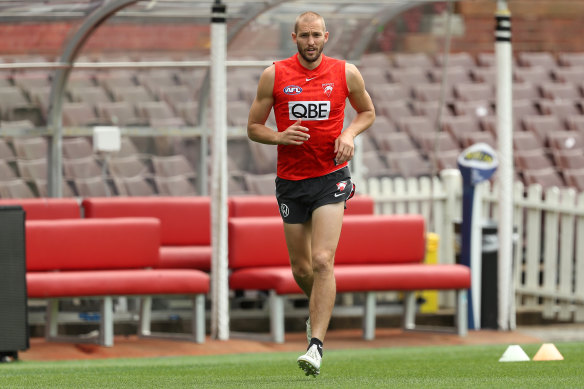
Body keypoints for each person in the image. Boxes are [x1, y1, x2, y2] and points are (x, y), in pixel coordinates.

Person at [247, 11, 375, 377]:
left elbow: (367, 112)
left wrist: (349, 135)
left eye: (316, 35)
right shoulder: (274, 74)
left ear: (326, 36)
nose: (310, 42)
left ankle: (315, 345)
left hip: (330, 177)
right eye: (304, 35)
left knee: (322, 260)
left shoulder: (345, 72)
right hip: (290, 180)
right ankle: (317, 312)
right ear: (294, 37)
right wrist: (278, 136)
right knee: (302, 268)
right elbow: (254, 126)